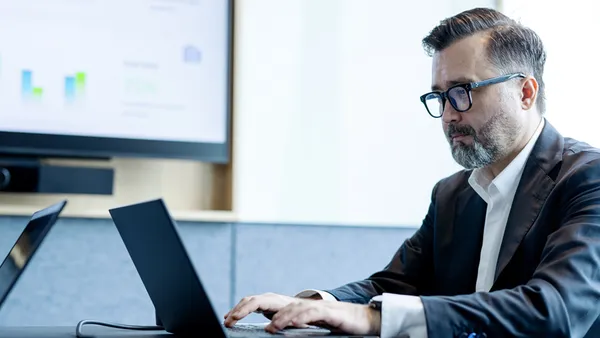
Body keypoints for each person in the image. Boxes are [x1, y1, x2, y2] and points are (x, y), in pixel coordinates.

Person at [223, 7, 600, 338]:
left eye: (463, 91)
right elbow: (395, 284)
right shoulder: (453, 193)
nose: (450, 113)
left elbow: (554, 311)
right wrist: (315, 305)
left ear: (526, 93)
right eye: (439, 96)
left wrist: (374, 319)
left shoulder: (588, 178)